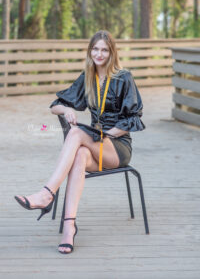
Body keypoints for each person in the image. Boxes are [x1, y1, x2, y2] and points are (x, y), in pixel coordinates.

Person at [14, 30, 145, 254]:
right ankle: (69, 228)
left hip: (117, 147)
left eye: (104, 49)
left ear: (112, 52)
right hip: (96, 145)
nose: (99, 54)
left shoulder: (124, 77)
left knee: (75, 134)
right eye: (95, 49)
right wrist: (67, 110)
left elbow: (134, 117)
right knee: (79, 156)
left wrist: (109, 134)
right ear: (89, 51)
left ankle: (47, 194)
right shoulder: (88, 77)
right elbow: (55, 105)